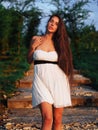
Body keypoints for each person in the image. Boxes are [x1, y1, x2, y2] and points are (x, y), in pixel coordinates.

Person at [27, 14, 73, 130]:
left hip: (58, 81)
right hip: (40, 81)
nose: (52, 24)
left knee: (57, 120)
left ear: (59, 28)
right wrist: (33, 47)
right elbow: (29, 60)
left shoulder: (61, 43)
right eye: (51, 21)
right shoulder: (36, 39)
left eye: (56, 23)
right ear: (47, 22)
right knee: (47, 118)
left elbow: (67, 63)